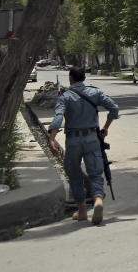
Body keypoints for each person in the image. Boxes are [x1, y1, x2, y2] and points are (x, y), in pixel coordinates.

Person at [47, 65, 119, 225]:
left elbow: (58, 117)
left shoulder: (65, 96)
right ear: (84, 78)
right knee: (95, 173)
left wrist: (51, 139)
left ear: (71, 78)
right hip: (92, 137)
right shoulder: (95, 92)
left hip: (73, 140)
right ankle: (98, 199)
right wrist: (105, 129)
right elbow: (114, 108)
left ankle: (82, 210)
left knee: (74, 175)